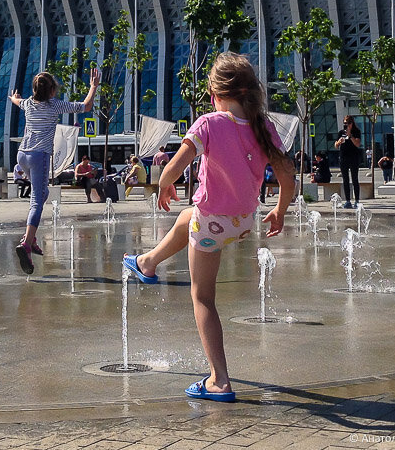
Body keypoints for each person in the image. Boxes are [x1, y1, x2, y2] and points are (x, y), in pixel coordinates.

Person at [121, 52, 295, 403]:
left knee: (202, 297)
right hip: (243, 220)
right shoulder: (264, 127)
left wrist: (166, 183)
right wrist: (279, 210)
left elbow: (175, 164)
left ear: (215, 93)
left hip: (212, 225)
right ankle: (148, 263)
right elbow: (287, 174)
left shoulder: (209, 123)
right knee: (190, 215)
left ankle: (219, 380)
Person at [8, 68, 100, 274]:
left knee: (43, 193)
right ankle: (26, 244)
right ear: (51, 91)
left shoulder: (28, 104)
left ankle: (29, 240)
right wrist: (93, 87)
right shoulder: (54, 106)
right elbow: (85, 107)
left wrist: (14, 98)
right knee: (37, 201)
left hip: (22, 155)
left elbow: (17, 102)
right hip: (39, 156)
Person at [335, 115, 362, 209]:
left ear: (352, 123)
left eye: (348, 123)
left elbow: (358, 144)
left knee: (355, 179)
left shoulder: (356, 132)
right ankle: (347, 201)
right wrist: (339, 142)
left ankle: (357, 200)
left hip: (353, 157)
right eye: (345, 123)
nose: (346, 125)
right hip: (343, 157)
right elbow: (336, 145)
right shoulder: (341, 132)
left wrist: (350, 136)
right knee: (345, 179)